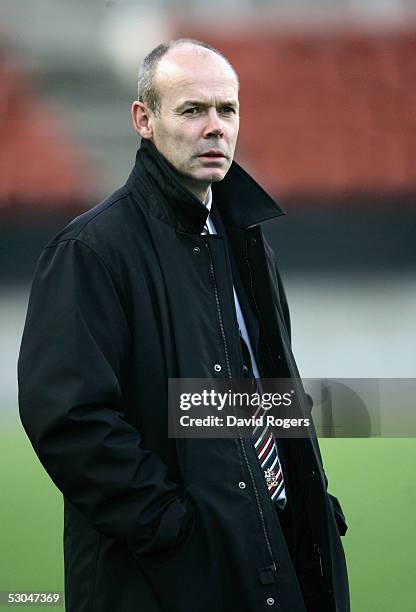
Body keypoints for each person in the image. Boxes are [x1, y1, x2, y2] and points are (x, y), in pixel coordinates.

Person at [18, 39, 349, 612]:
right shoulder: (90, 251)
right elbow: (69, 420)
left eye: (227, 110)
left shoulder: (248, 241)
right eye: (193, 110)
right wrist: (173, 528)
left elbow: (265, 390)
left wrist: (304, 493)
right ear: (144, 120)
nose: (215, 127)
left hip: (270, 548)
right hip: (163, 577)